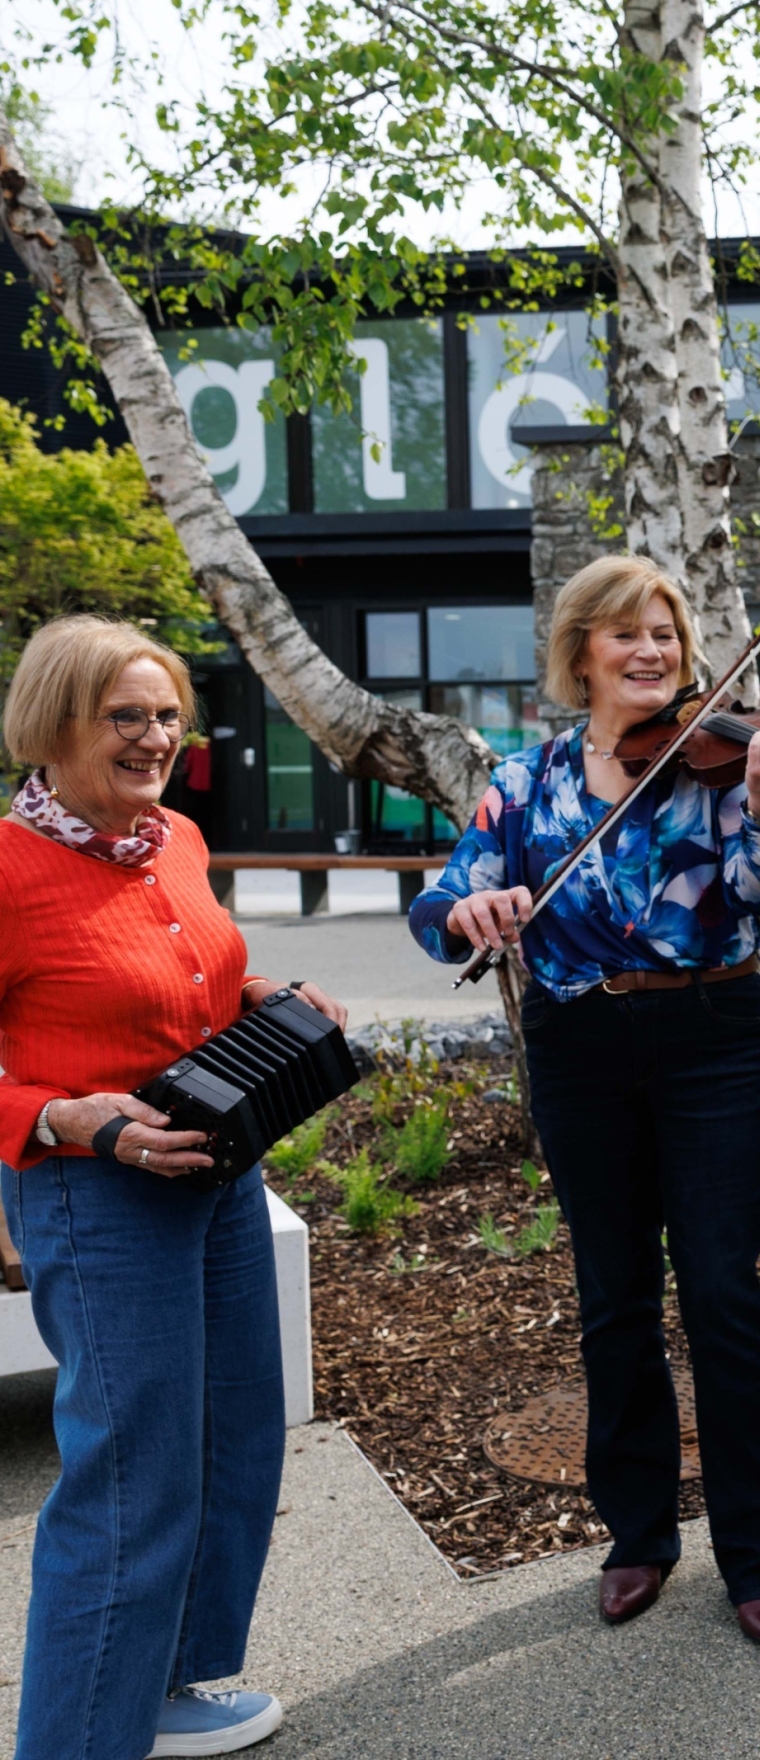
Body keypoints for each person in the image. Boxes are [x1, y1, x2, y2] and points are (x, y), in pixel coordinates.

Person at [408, 556, 760, 1650]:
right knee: (613, 1294)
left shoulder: (719, 768)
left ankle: (758, 1553)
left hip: (708, 1034)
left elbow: (757, 894)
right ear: (580, 650)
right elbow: (438, 900)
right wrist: (472, 906)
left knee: (724, 1290)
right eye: (627, 635)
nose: (652, 654)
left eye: (668, 637)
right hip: (579, 1039)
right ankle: (636, 1533)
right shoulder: (525, 781)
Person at [0, 614, 349, 1760]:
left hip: (220, 1179)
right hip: (95, 1200)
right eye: (124, 716)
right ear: (56, 723)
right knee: (131, 1478)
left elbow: (209, 982)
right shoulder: (7, 869)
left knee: (233, 1439)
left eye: (166, 717)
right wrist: (63, 1114)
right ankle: (75, 1738)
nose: (154, 738)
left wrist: (275, 1005)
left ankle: (159, 1688)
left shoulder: (177, 840)